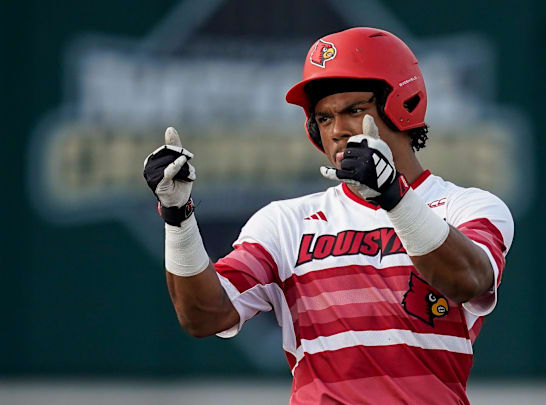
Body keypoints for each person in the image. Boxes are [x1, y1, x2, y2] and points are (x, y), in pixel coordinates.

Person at [143, 27, 514, 405]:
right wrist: (178, 218)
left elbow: (468, 281)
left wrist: (395, 198)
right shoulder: (285, 221)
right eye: (323, 118)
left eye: (355, 110)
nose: (337, 131)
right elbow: (205, 316)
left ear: (402, 105)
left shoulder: (468, 206)